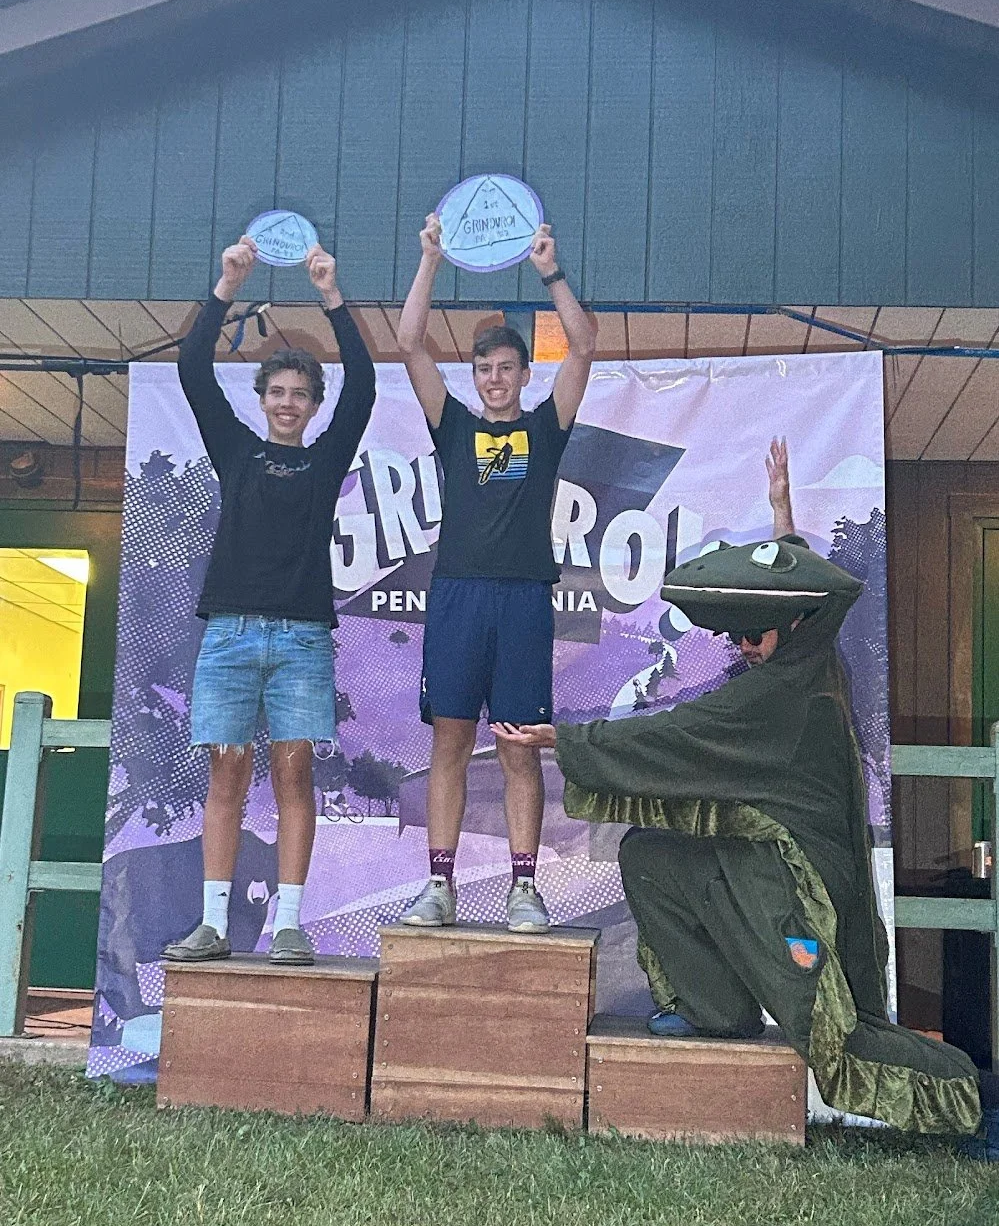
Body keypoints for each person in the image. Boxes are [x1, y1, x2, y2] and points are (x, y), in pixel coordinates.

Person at [493, 445, 998, 1157]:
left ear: (791, 625)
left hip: (802, 893)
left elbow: (678, 735)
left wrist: (560, 740)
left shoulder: (779, 695)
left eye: (752, 632)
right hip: (761, 862)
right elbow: (793, 586)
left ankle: (979, 1106)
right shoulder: (804, 655)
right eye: (731, 633)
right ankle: (712, 1011)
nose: (741, 643)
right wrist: (780, 515)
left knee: (834, 1035)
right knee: (654, 856)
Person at [163, 236, 376, 967]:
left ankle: (290, 923)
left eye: (300, 395)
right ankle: (213, 925)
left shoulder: (323, 460)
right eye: (277, 393)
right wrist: (226, 283)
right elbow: (192, 371)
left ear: (315, 407)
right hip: (227, 636)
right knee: (226, 772)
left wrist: (331, 294)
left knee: (292, 774)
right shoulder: (236, 451)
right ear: (261, 402)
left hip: (301, 642)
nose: (288, 404)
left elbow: (368, 386)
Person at [396, 215, 594, 933]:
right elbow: (408, 342)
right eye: (483, 369)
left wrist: (550, 269)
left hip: (521, 600)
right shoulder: (451, 425)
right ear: (473, 376)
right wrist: (428, 259)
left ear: (522, 374)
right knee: (447, 742)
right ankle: (439, 886)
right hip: (457, 596)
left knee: (517, 747)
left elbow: (586, 345)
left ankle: (522, 889)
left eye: (506, 368)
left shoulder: (545, 429)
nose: (495, 378)